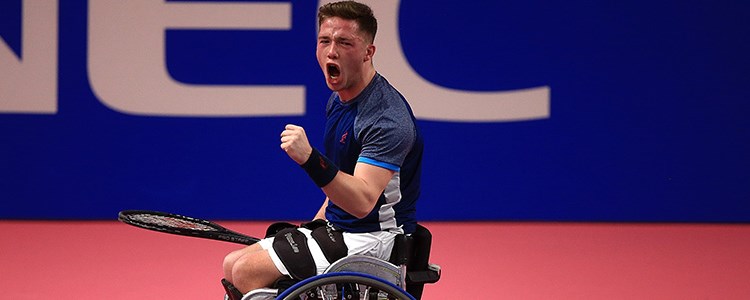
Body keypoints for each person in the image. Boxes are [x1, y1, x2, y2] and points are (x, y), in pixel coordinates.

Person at [222, 1, 424, 296]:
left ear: (369, 52)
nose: (332, 51)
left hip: (376, 237)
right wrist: (315, 225)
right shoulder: (339, 101)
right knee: (232, 264)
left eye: (344, 42)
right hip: (342, 227)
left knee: (246, 272)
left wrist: (309, 159)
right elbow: (342, 182)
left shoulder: (385, 118)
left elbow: (362, 201)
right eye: (325, 41)